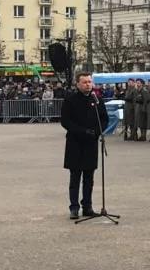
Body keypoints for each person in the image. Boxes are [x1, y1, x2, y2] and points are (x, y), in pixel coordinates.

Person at [60, 71, 109, 220]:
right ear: (78, 84)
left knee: (89, 177)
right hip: (75, 142)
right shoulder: (70, 99)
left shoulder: (97, 99)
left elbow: (104, 119)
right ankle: (74, 207)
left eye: (90, 82)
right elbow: (65, 121)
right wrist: (82, 131)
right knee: (75, 177)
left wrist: (98, 132)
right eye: (85, 82)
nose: (88, 84)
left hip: (91, 143)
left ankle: (87, 206)